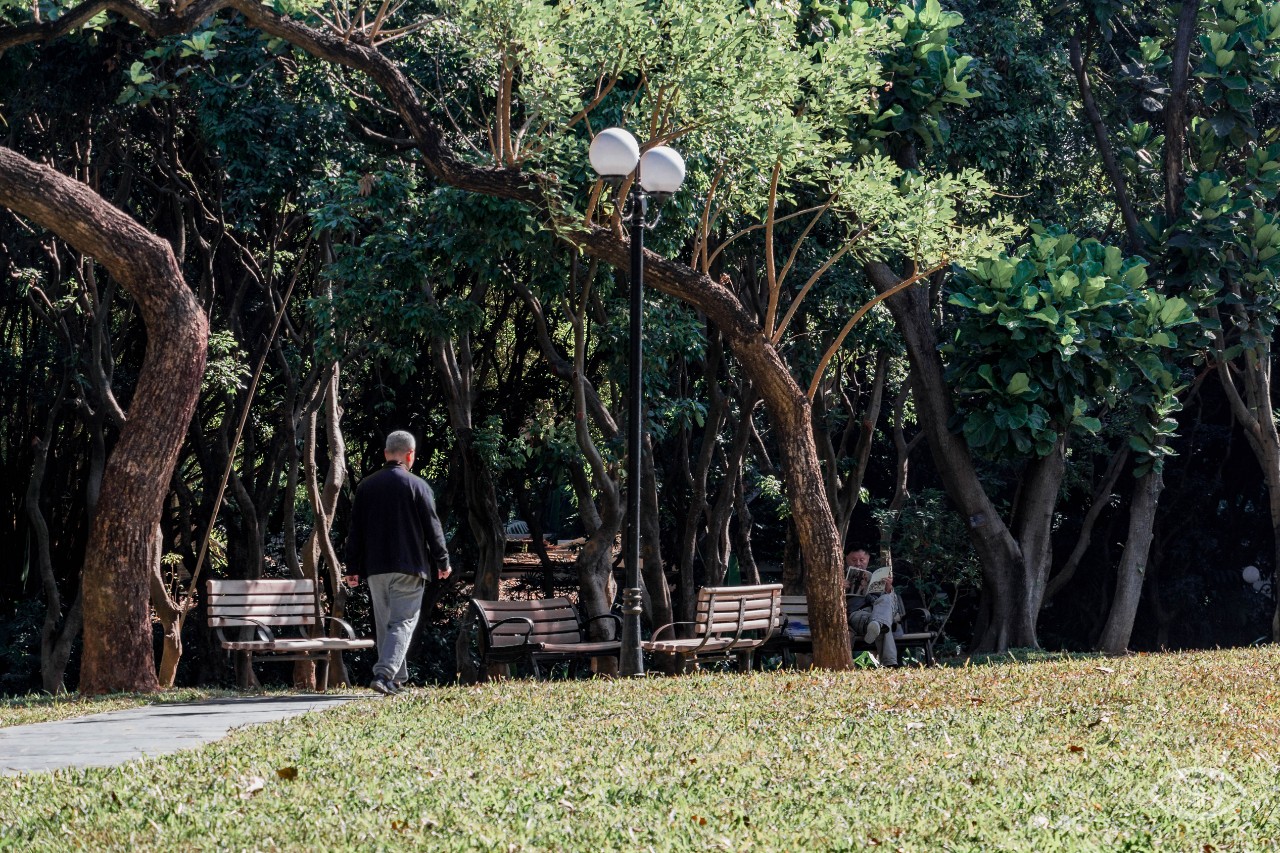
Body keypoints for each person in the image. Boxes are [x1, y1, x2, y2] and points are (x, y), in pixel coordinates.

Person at [344, 430, 451, 695]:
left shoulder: (366, 487)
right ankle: (383, 675)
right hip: (410, 567)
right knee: (403, 622)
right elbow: (433, 529)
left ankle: (396, 680)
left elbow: (354, 531)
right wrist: (443, 561)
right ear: (410, 455)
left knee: (386, 625)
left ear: (385, 454)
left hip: (376, 569)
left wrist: (352, 567)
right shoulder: (418, 486)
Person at [848, 569, 906, 667]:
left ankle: (877, 623)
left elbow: (893, 607)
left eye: (862, 560)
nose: (858, 563)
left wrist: (888, 589)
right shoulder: (838, 579)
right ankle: (890, 664)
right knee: (884, 624)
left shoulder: (877, 578)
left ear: (867, 559)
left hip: (879, 612)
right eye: (854, 560)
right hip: (859, 614)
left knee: (887, 599)